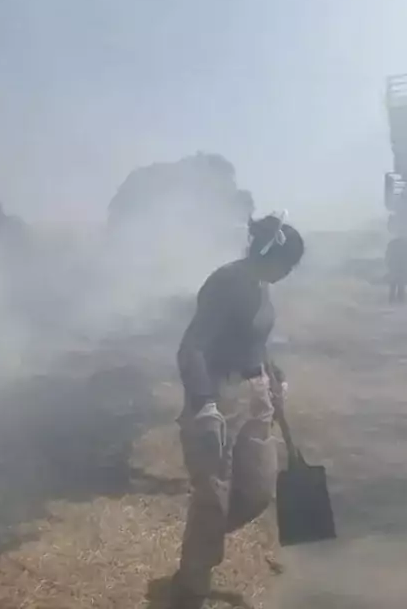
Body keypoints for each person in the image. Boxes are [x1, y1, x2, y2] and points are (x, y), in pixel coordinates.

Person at [171, 212, 305, 608]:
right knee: (214, 495)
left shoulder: (262, 285)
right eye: (289, 263)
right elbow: (192, 346)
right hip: (220, 393)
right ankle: (192, 585)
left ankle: (201, 544)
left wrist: (272, 374)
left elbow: (255, 339)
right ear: (270, 254)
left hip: (255, 391)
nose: (290, 272)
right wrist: (204, 403)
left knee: (258, 491)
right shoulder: (226, 281)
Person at [385, 235, 407, 304]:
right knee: (400, 284)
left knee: (393, 284)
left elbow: (387, 257)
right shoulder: (404, 246)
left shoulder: (392, 245)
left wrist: (388, 265)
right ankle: (400, 299)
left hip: (394, 267)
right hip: (400, 268)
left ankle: (392, 299)